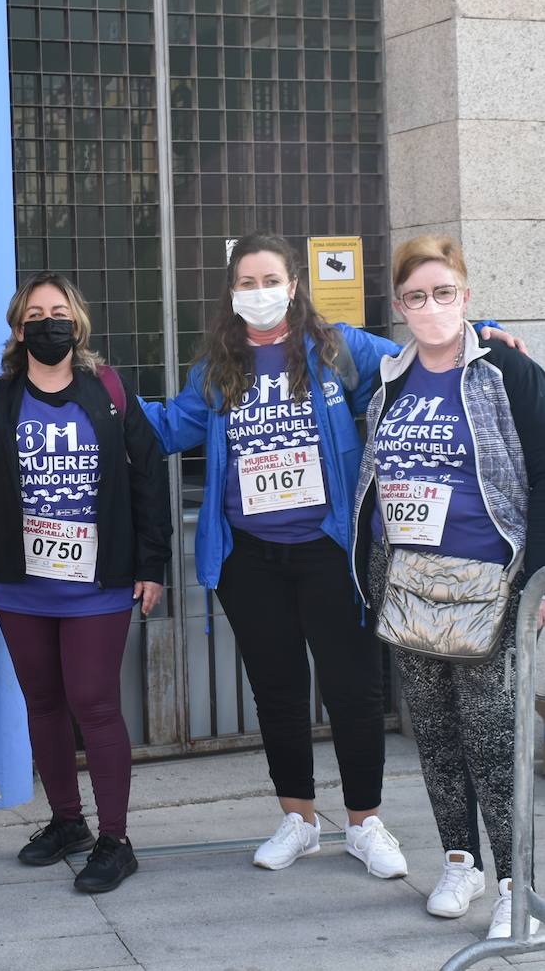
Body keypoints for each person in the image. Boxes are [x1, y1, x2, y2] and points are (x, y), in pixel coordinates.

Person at [139, 233, 411, 880]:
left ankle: (365, 824)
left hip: (330, 552)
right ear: (232, 293)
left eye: (270, 280)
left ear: (294, 285)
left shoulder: (338, 349)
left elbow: (420, 363)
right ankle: (299, 819)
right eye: (246, 282)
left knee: (354, 689)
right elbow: (169, 428)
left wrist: (483, 336)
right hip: (249, 559)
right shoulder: (214, 370)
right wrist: (101, 401)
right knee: (278, 692)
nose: (258, 293)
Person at [352, 235, 545, 939]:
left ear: (466, 296)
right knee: (432, 736)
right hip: (407, 581)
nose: (430, 306)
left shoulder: (505, 371)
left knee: (491, 740)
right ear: (399, 307)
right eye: (415, 296)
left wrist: (541, 577)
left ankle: (514, 885)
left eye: (444, 293)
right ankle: (460, 862)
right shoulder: (391, 377)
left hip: (487, 584)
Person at [0, 273, 171, 894]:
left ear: (77, 323)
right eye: (34, 314)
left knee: (94, 702)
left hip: (98, 583)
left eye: (59, 311)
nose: (47, 323)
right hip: (21, 585)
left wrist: (150, 564)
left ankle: (116, 839)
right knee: (43, 703)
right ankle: (67, 822)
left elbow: (149, 476)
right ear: (18, 329)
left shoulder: (107, 390)